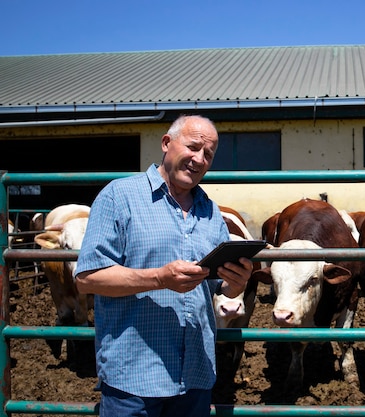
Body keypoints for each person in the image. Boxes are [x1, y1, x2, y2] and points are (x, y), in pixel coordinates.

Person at [74, 114, 253, 417]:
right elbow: (88, 278)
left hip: (195, 375)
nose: (200, 159)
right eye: (193, 147)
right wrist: (159, 278)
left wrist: (236, 282)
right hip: (134, 377)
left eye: (208, 154)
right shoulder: (120, 196)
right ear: (167, 143)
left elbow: (217, 283)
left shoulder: (210, 211)